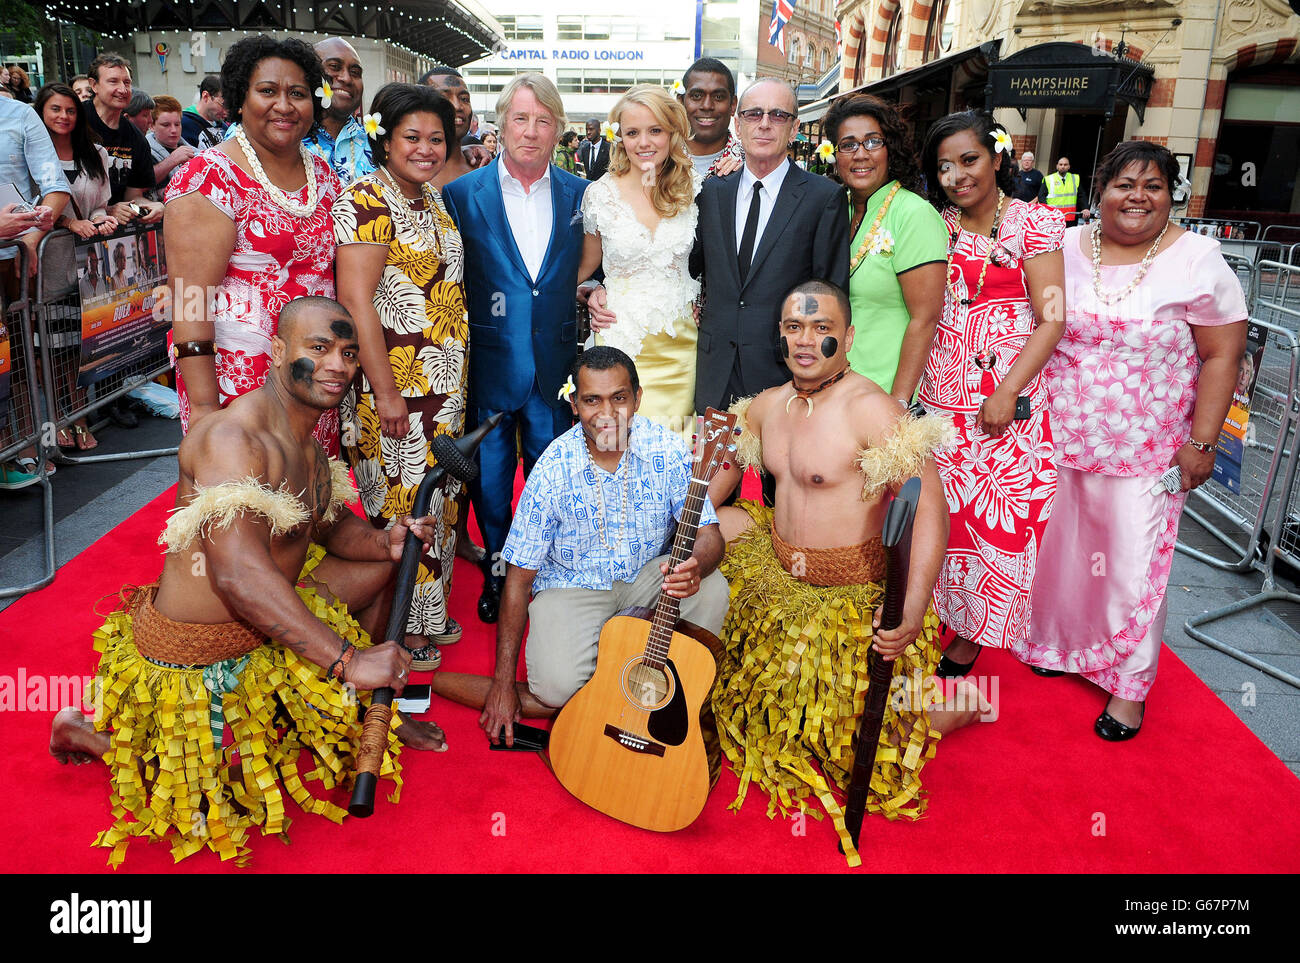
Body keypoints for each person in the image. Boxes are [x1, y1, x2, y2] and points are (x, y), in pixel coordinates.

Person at [48, 297, 444, 866]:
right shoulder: (233, 439)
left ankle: (363, 709)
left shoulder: (306, 442)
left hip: (263, 635)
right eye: (320, 348)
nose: (337, 364)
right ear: (278, 351)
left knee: (387, 565)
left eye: (348, 353)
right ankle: (83, 729)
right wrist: (347, 661)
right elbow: (236, 574)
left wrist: (386, 541)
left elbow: (328, 525)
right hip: (195, 656)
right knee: (232, 784)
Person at [708, 279, 990, 864]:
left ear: (849, 336)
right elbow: (722, 471)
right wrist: (692, 524)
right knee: (727, 524)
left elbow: (928, 509)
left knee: (877, 745)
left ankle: (962, 700)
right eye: (793, 327)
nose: (806, 340)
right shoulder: (767, 405)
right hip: (783, 579)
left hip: (849, 600)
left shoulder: (870, 409)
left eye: (821, 328)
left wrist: (912, 610)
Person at [1017, 141, 1247, 740]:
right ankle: (1057, 644)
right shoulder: (1065, 246)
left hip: (1149, 446)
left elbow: (1223, 353)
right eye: (1124, 183)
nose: (1137, 197)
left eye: (1153, 186)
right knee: (1063, 550)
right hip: (1059, 435)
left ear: (1173, 195)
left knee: (1132, 562)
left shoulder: (1197, 259)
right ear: (1100, 188)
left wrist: (1202, 442)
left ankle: (1128, 688)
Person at [429, 346, 729, 745]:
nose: (606, 413)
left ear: (638, 398)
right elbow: (517, 581)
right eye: (592, 400)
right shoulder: (553, 469)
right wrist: (502, 685)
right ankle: (625, 682)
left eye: (618, 398)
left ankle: (673, 681)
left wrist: (695, 564)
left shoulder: (667, 449)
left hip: (647, 578)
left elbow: (709, 534)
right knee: (554, 687)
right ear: (574, 404)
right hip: (574, 587)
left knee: (711, 587)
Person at [917, 110, 1065, 675]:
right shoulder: (937, 225)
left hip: (1007, 404)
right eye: (945, 166)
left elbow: (1052, 319)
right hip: (939, 398)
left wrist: (1006, 392)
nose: (958, 175)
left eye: (969, 160)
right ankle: (934, 619)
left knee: (995, 526)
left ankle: (971, 637)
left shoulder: (1036, 224)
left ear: (998, 157)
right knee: (944, 520)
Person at [442, 73, 589, 624]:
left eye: (543, 120)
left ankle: (549, 568)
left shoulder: (581, 194)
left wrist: (592, 287)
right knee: (494, 482)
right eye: (521, 119)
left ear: (558, 130)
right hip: (491, 366)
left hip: (556, 368)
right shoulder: (460, 195)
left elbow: (594, 266)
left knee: (554, 475)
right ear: (500, 124)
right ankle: (501, 567)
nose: (531, 131)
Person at [333, 83, 467, 669]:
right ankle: (405, 628)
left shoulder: (432, 200)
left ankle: (430, 613)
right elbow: (357, 304)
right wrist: (386, 392)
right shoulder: (365, 200)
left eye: (437, 139)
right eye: (412, 137)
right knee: (404, 506)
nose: (426, 149)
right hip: (396, 388)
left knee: (439, 497)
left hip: (443, 387)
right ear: (383, 139)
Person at [164, 35, 344, 455]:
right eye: (267, 91)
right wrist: (207, 409)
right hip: (239, 389)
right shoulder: (209, 178)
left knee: (312, 509)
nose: (284, 105)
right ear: (239, 99)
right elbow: (191, 299)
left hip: (314, 382)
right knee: (250, 511)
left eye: (297, 93)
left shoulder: (324, 174)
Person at [677, 79, 849, 420]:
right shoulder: (712, 192)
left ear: (795, 127)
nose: (765, 123)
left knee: (776, 474)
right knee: (710, 472)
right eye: (754, 114)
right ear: (738, 125)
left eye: (778, 115)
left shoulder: (822, 198)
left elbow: (831, 293)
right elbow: (689, 267)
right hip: (714, 371)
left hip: (784, 374)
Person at [577, 85, 701, 439]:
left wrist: (705, 298)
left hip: (681, 346)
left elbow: (712, 261)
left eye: (655, 130)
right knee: (616, 443)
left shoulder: (698, 188)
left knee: (676, 451)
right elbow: (582, 271)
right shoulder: (601, 195)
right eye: (632, 132)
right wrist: (590, 291)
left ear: (672, 132)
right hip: (620, 339)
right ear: (621, 138)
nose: (644, 142)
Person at [826, 94, 946, 402]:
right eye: (848, 144)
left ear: (890, 149)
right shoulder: (836, 209)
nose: (860, 154)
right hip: (832, 388)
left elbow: (925, 319)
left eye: (872, 142)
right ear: (836, 155)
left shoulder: (913, 214)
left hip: (883, 392)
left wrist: (898, 402)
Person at [82, 53, 164, 225]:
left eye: (127, 82)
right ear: (94, 85)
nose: (123, 89)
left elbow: (133, 197)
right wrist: (107, 210)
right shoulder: (76, 121)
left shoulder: (136, 138)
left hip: (113, 235)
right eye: (113, 82)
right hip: (75, 228)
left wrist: (153, 207)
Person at [303, 37, 374, 185]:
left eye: (355, 72)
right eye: (334, 66)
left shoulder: (377, 144)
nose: (347, 78)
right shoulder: (287, 140)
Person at [421, 67, 490, 188]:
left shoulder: (486, 170)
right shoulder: (404, 174)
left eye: (464, 99)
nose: (457, 106)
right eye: (443, 98)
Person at [677, 58, 744, 179]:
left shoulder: (751, 166)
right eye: (697, 96)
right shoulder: (660, 160)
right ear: (681, 103)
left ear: (733, 105)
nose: (707, 106)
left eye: (718, 97)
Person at [146, 94, 195, 201]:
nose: (173, 130)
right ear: (152, 126)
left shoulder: (195, 152)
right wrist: (172, 160)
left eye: (177, 124)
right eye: (166, 125)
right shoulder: (145, 152)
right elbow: (146, 182)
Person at [181, 74, 227, 150]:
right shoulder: (183, 125)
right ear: (205, 96)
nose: (225, 112)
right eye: (223, 104)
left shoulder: (223, 127)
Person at [1041, 155, 1081, 226]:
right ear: (1057, 166)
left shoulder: (1075, 179)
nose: (1063, 166)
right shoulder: (1049, 179)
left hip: (1069, 218)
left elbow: (1081, 195)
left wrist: (1085, 208)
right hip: (1053, 217)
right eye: (1061, 164)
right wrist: (1047, 210)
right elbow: (1041, 196)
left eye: (1065, 165)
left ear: (1069, 167)